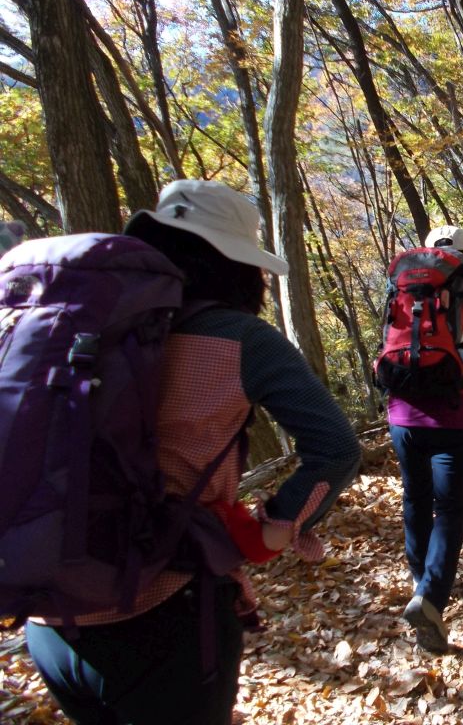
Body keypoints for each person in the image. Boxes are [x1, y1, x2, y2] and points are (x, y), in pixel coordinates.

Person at [24, 179, 362, 725]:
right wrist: (277, 525)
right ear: (237, 264)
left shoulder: (73, 329)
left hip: (47, 615)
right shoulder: (240, 339)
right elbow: (336, 448)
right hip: (164, 609)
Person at [385, 225, 463, 654]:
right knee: (451, 508)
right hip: (453, 418)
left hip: (401, 417)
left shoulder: (400, 290)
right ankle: (431, 598)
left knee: (415, 501)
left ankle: (423, 583)